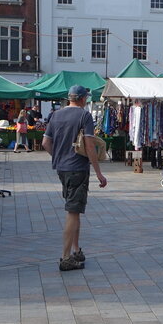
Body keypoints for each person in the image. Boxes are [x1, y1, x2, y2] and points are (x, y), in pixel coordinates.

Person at [42, 85, 107, 271]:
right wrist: (99, 173)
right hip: (77, 168)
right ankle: (65, 257)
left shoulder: (55, 115)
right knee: (72, 211)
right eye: (86, 97)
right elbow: (89, 146)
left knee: (75, 209)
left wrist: (59, 157)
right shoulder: (84, 116)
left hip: (62, 168)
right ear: (82, 99)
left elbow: (46, 142)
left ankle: (76, 250)